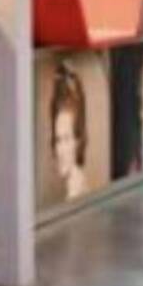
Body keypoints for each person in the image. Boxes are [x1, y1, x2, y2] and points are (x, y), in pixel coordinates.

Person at [50, 64, 90, 200]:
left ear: (78, 141)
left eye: (67, 139)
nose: (60, 150)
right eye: (58, 140)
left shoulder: (76, 191)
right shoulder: (74, 186)